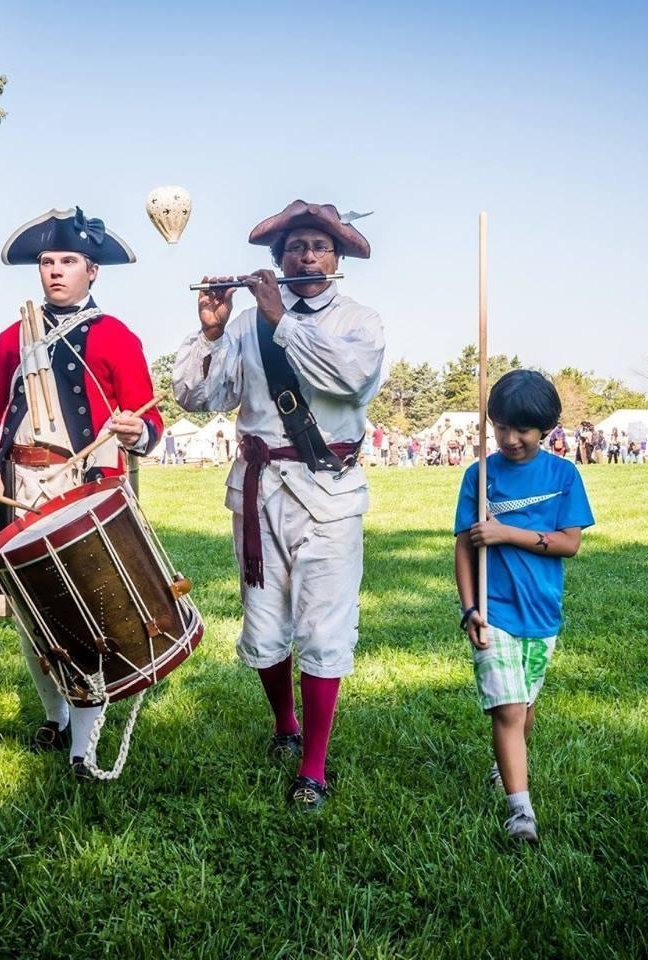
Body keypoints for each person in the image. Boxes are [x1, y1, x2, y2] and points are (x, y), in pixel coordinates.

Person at [173, 200, 385, 811]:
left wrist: (277, 317)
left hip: (331, 492)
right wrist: (213, 329)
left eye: (320, 245)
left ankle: (313, 768)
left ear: (338, 258)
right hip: (258, 490)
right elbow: (197, 397)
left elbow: (344, 380)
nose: (307, 255)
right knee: (264, 623)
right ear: (277, 258)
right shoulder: (245, 324)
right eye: (296, 247)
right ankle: (284, 727)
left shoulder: (360, 322)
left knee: (323, 624)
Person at [0, 205, 163, 780]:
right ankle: (55, 717)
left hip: (87, 489)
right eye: (47, 262)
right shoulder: (13, 336)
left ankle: (83, 747)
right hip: (20, 485)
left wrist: (138, 431)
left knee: (84, 614)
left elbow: (149, 419)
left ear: (92, 271)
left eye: (68, 261)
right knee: (30, 613)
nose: (55, 271)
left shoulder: (115, 335)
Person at [454, 370, 594, 843]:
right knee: (509, 710)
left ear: (546, 429)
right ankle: (521, 813)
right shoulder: (480, 476)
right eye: (500, 427)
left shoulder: (563, 475)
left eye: (523, 430)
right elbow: (463, 548)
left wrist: (507, 532)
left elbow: (569, 543)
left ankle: (504, 765)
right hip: (496, 611)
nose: (510, 439)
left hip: (543, 613)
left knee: (526, 705)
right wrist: (469, 608)